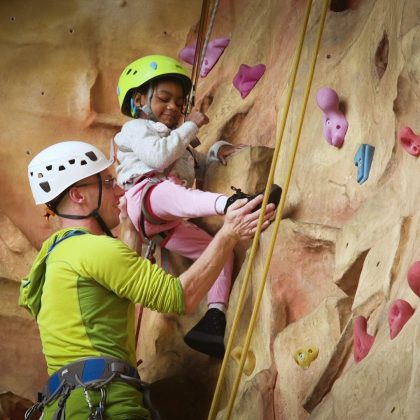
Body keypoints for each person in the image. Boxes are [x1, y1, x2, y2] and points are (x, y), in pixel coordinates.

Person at [20, 140, 276, 419]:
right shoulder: (92, 249)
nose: (119, 191)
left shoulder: (56, 256)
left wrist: (131, 237)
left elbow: (105, 304)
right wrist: (229, 234)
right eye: (107, 182)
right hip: (106, 406)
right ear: (78, 196)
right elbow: (180, 296)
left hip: (68, 406)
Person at [115, 54, 282, 358]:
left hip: (164, 223)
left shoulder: (177, 141)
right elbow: (158, 158)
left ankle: (214, 319)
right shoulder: (136, 130)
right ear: (139, 99)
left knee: (217, 251)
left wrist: (221, 150)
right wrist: (190, 125)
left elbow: (198, 166)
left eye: (179, 102)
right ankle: (235, 204)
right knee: (170, 191)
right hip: (146, 199)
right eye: (164, 98)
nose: (173, 108)